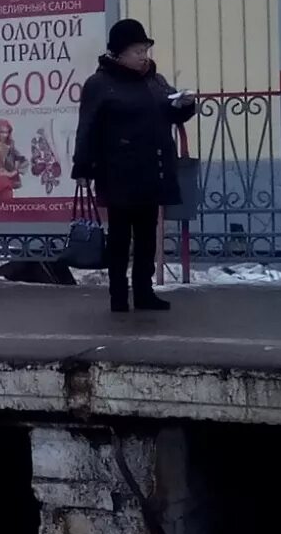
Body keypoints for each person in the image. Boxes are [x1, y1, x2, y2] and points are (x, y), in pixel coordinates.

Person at [70, 19, 197, 314]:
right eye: (137, 50)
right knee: (119, 237)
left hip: (152, 170)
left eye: (145, 49)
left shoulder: (154, 80)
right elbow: (86, 127)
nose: (143, 55)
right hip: (117, 172)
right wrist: (82, 168)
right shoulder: (100, 84)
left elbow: (170, 113)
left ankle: (144, 292)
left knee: (146, 236)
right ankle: (118, 295)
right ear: (119, 52)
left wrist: (183, 105)